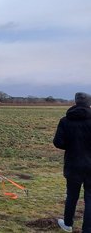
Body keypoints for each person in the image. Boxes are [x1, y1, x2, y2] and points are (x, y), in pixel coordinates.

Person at [54, 92, 91, 233]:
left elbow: (58, 142)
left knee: (72, 195)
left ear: (75, 102)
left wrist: (72, 145)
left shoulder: (65, 120)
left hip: (73, 164)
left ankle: (68, 224)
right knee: (90, 197)